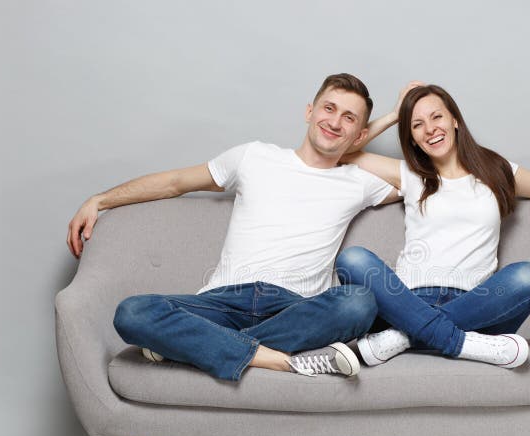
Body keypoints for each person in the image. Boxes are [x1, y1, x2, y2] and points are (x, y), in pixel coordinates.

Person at [66, 73, 403, 380]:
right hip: (220, 303)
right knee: (133, 312)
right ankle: (278, 360)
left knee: (358, 301)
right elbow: (175, 182)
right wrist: (101, 200)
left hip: (294, 307)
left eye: (348, 118)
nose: (334, 122)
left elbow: (428, 178)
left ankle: (189, 349)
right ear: (309, 112)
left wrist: (387, 120)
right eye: (328, 109)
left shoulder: (358, 182)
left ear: (360, 134)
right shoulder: (253, 157)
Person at [334, 83, 530, 369]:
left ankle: (404, 338)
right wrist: (394, 114)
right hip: (407, 299)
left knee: (527, 276)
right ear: (412, 138)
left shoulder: (496, 171)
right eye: (417, 125)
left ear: (454, 120)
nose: (430, 129)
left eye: (437, 117)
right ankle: (457, 342)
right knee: (353, 260)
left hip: (477, 306)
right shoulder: (410, 175)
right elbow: (340, 150)